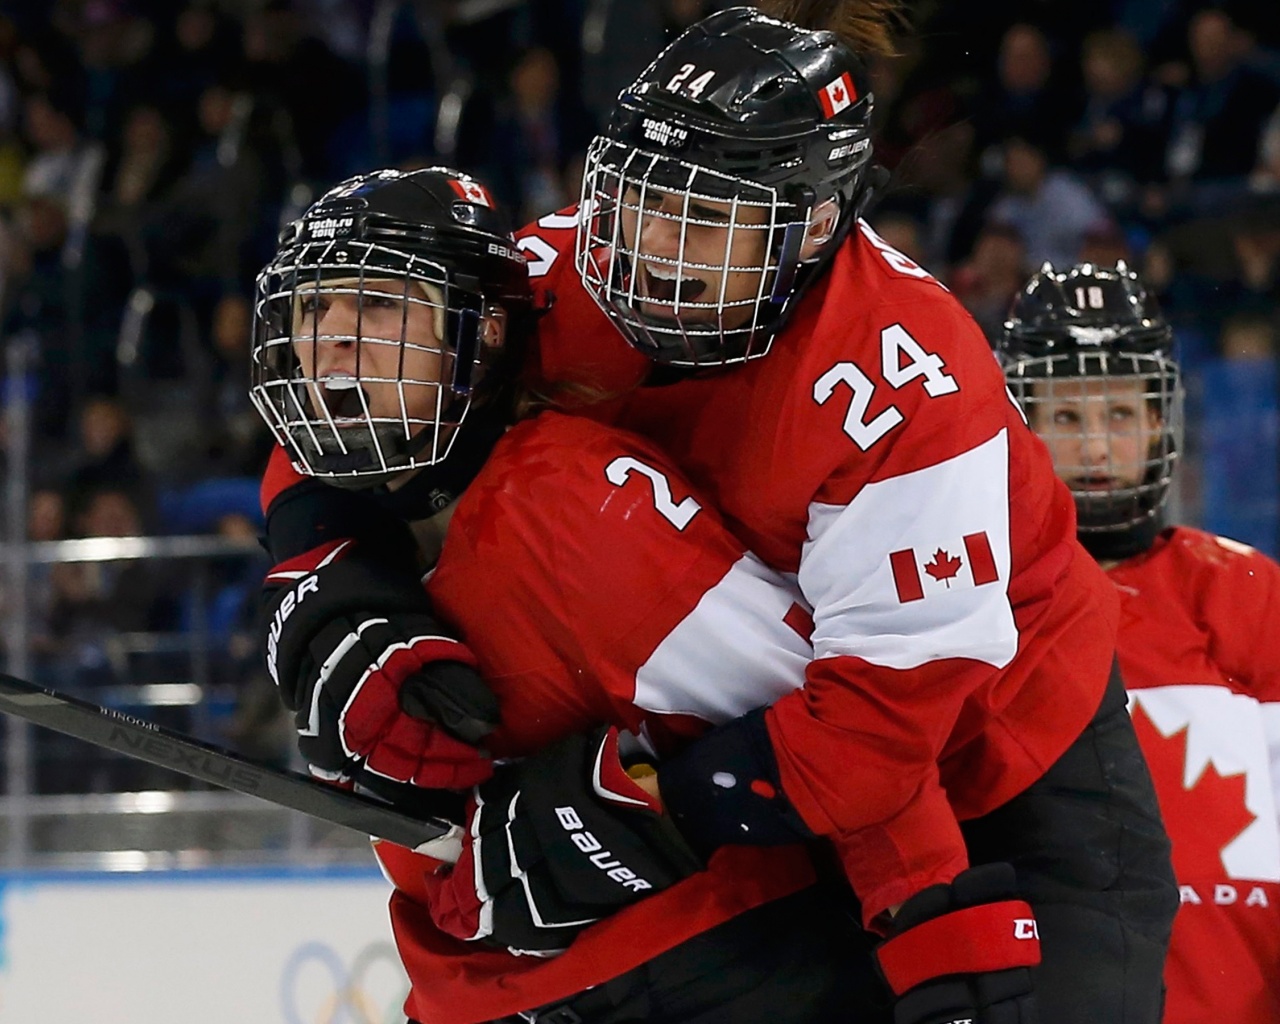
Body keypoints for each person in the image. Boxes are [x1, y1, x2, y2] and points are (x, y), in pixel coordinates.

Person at [259, 7, 1178, 1024]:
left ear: (813, 226)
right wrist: (329, 579)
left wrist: (626, 810)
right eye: (636, 198)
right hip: (796, 752)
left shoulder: (905, 386)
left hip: (1006, 755)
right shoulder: (569, 271)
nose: (644, 246)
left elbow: (874, 732)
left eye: (699, 216)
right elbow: (375, 380)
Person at [251, 165, 891, 1024]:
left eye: (377, 306)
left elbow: (845, 740)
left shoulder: (577, 507)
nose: (330, 338)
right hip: (488, 995)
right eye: (311, 308)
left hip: (715, 973)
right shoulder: (338, 574)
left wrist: (648, 810)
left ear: (477, 336)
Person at [1000, 261, 1280, 1024]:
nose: (1094, 446)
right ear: (1018, 425)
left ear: (1161, 422)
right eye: (1064, 418)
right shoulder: (976, 602)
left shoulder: (1248, 590)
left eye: (1120, 414)